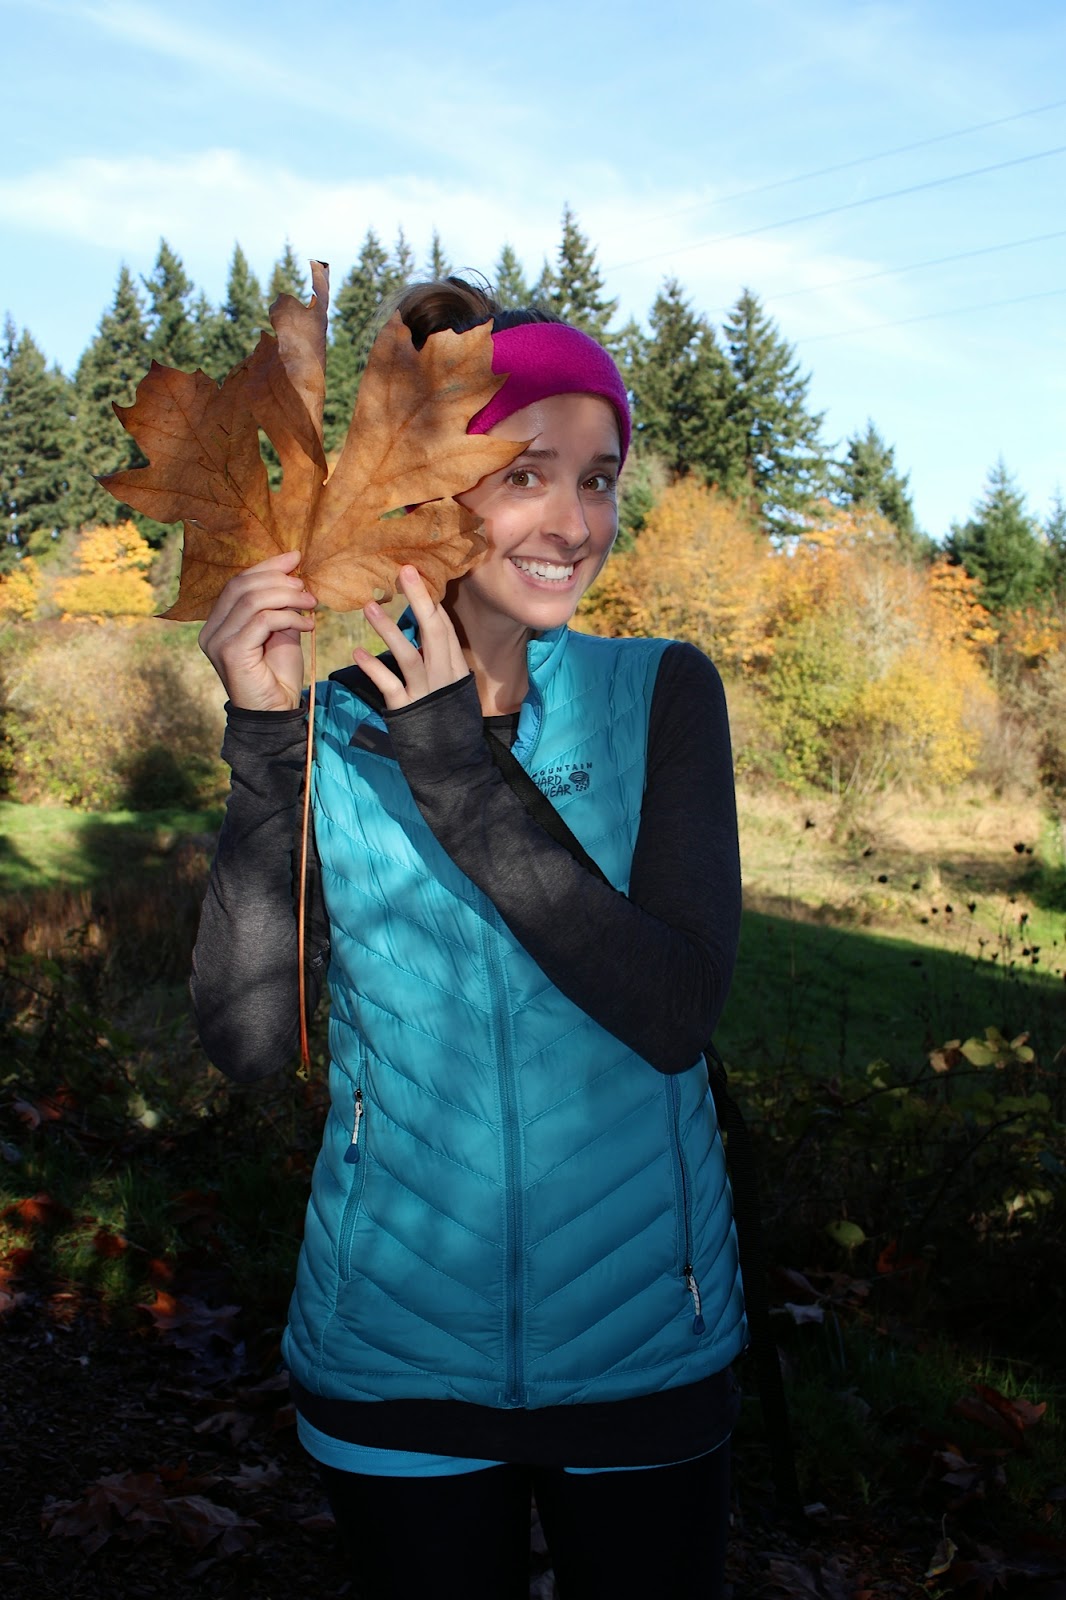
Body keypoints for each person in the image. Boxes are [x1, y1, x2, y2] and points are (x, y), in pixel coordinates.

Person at [191, 276, 746, 1599]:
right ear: (438, 496)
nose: (574, 522)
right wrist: (264, 742)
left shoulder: (659, 693)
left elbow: (672, 1010)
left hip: (642, 1348)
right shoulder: (329, 729)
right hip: (392, 1351)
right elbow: (250, 1044)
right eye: (528, 475)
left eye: (599, 480)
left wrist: (450, 762)